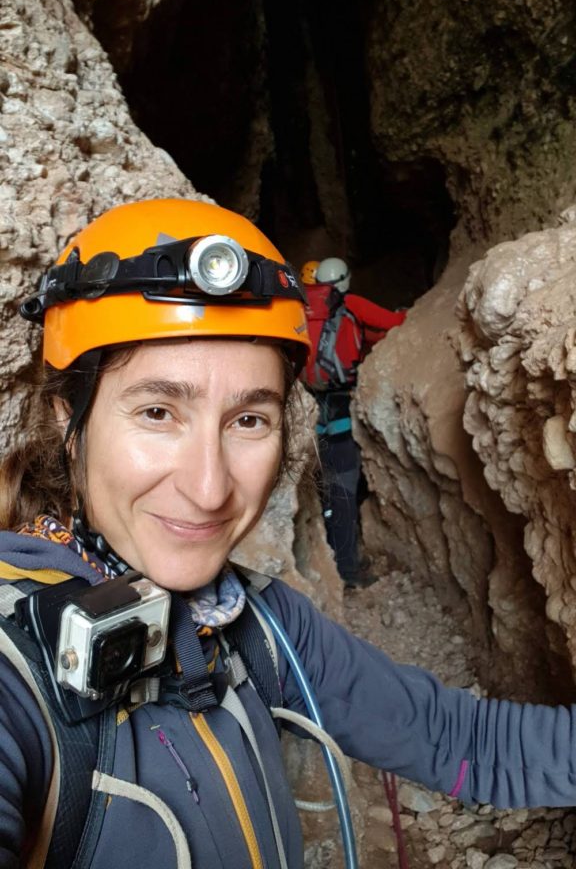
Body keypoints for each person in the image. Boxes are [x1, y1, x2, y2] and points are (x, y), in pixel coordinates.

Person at [2, 199, 576, 869]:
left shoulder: (259, 626)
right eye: (158, 411)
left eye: (250, 420)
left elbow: (455, 739)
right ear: (68, 424)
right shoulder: (18, 668)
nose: (210, 487)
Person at [301, 256, 406, 587]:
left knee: (321, 489)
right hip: (341, 412)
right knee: (343, 488)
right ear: (344, 281)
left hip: (310, 411)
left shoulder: (302, 309)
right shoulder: (352, 304)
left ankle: (324, 551)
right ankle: (346, 572)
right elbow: (393, 322)